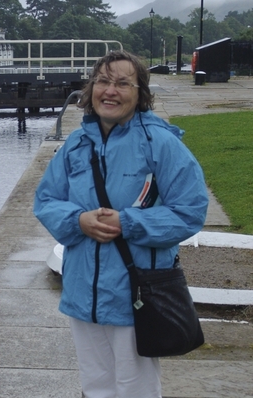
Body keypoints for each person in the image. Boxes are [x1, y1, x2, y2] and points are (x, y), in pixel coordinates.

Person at [33, 50, 208, 398]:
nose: (110, 91)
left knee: (135, 388)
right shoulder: (75, 145)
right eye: (102, 81)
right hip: (83, 291)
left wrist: (128, 222)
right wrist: (78, 220)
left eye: (122, 83)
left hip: (136, 293)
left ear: (140, 93)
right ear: (91, 89)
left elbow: (189, 211)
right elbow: (46, 200)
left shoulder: (161, 144)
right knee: (96, 386)